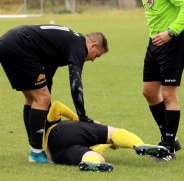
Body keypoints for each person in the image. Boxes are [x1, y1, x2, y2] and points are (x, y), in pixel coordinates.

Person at [119, 0, 184, 159]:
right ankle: (169, 138)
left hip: (173, 41)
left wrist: (170, 32)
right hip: (155, 41)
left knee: (169, 94)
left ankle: (168, 147)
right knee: (149, 92)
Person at [0, 25, 108, 163]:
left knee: (33, 98)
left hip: (8, 42)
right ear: (93, 46)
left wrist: (46, 104)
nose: (93, 60)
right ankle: (36, 153)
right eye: (96, 56)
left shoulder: (65, 43)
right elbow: (75, 83)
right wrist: (83, 117)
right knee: (41, 98)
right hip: (21, 45)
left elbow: (47, 74)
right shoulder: (79, 46)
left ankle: (35, 147)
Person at [44, 101, 172, 172]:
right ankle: (138, 144)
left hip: (57, 153)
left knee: (95, 157)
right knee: (113, 133)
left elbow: (55, 107)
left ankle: (90, 164)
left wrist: (108, 145)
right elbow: (57, 106)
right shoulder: (54, 125)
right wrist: (80, 121)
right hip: (66, 129)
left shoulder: (52, 144)